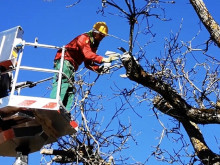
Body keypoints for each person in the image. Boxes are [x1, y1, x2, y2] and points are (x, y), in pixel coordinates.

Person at [50, 22, 116, 111]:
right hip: (65, 60)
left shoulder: (93, 45)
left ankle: (65, 111)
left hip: (72, 65)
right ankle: (54, 105)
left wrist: (99, 69)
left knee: (70, 89)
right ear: (95, 32)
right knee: (63, 83)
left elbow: (88, 63)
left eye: (103, 36)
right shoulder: (84, 38)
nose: (102, 38)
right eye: (101, 35)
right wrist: (103, 59)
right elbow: (88, 54)